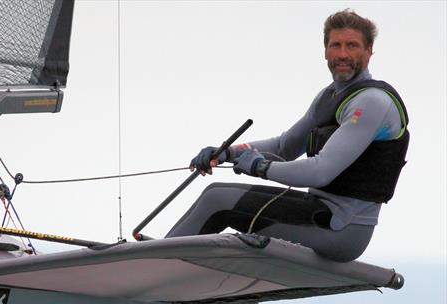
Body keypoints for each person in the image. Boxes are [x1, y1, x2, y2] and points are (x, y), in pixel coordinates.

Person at [166, 9, 409, 262]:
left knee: (218, 200)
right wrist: (227, 151)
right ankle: (162, 265)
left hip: (342, 230)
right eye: (335, 45)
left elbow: (319, 171)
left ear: (369, 51)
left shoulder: (372, 102)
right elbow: (284, 147)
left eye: (352, 46)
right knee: (214, 192)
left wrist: (261, 167)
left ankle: (156, 270)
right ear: (325, 50)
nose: (343, 54)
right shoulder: (330, 97)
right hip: (319, 211)